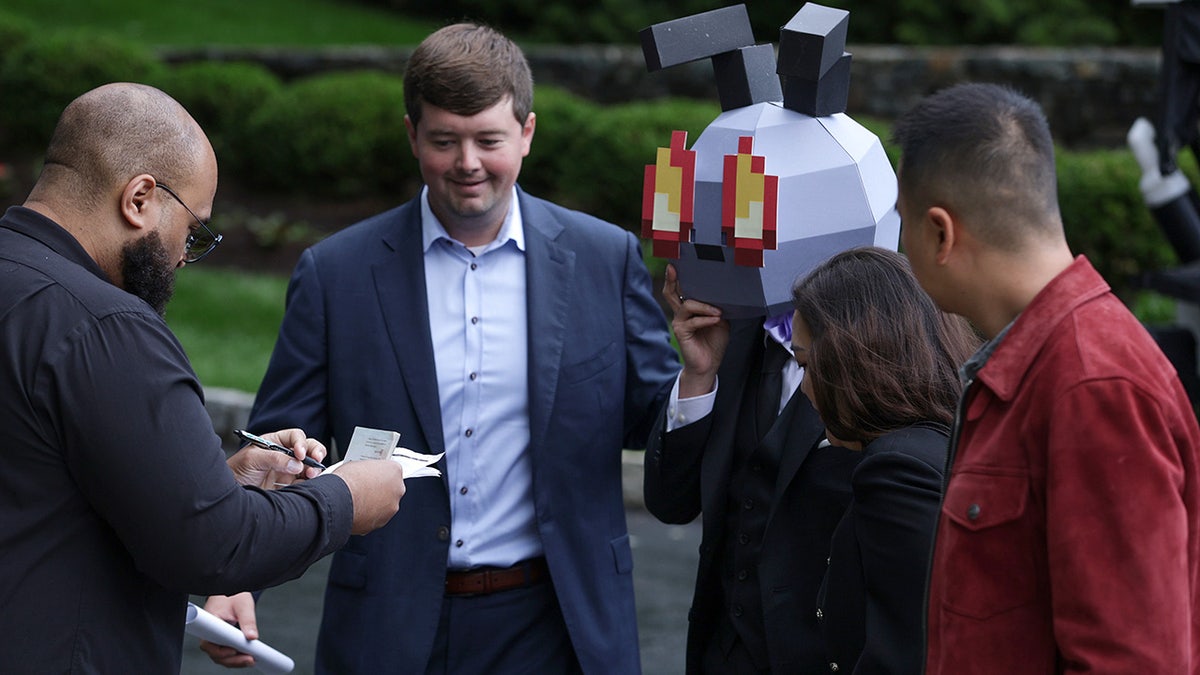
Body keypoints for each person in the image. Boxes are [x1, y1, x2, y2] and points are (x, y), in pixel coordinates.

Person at [200, 22, 680, 674]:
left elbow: (653, 416)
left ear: (528, 133)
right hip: (391, 626)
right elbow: (280, 445)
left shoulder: (604, 257)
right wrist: (236, 579)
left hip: (562, 624)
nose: (468, 163)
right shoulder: (336, 273)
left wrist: (702, 376)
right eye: (444, 140)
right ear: (411, 135)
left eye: (489, 139)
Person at [0, 82, 407, 673]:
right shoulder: (108, 325)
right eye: (192, 231)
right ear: (139, 198)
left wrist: (216, 482)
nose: (183, 257)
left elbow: (46, 478)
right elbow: (215, 544)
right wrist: (345, 499)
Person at [895, 82, 1200, 673]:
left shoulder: (1093, 385)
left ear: (940, 232)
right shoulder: (1048, 363)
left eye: (903, 225)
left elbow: (1132, 660)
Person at [643, 261, 861, 673]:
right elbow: (670, 504)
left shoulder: (878, 347)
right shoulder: (730, 333)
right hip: (722, 651)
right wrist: (698, 375)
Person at [789, 246, 979, 673]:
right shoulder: (951, 439)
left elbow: (903, 656)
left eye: (806, 365)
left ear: (849, 360)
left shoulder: (897, 471)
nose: (803, 390)